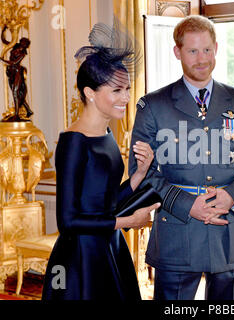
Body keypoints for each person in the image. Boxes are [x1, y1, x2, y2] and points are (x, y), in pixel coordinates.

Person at [128, 15, 234, 300]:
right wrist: (188, 205)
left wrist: (232, 196)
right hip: (177, 233)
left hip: (227, 233)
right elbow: (142, 172)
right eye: (192, 51)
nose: (202, 59)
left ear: (216, 48)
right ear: (177, 52)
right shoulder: (153, 106)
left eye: (207, 50)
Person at [42, 21, 160, 300]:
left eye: (127, 89)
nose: (126, 98)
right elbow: (68, 221)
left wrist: (139, 176)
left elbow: (104, 204)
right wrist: (127, 221)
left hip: (108, 247)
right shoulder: (72, 142)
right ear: (89, 93)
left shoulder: (107, 133)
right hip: (79, 260)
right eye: (117, 91)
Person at [0, 37, 33, 121]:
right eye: (22, 41)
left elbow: (14, 62)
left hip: (17, 71)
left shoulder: (23, 54)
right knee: (16, 92)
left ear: (26, 45)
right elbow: (5, 41)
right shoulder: (16, 46)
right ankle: (28, 110)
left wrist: (3, 60)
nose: (22, 42)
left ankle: (17, 114)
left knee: (15, 91)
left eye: (24, 42)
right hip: (11, 72)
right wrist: (3, 30)